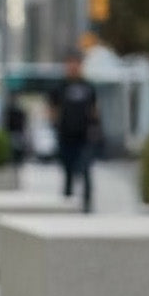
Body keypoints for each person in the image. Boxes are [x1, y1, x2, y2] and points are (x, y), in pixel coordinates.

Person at [49, 52, 100, 211]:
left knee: (85, 171)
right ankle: (67, 206)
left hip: (84, 137)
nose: (73, 67)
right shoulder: (60, 87)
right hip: (66, 136)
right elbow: (52, 110)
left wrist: (95, 129)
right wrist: (55, 126)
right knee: (68, 173)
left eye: (76, 63)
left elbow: (94, 110)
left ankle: (87, 206)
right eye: (70, 63)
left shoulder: (88, 87)